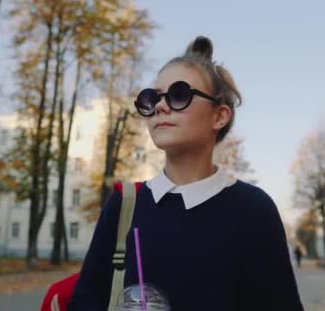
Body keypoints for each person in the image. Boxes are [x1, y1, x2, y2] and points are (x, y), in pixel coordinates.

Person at [68, 36, 303, 310]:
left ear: (219, 116)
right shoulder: (124, 206)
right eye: (151, 97)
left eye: (179, 94)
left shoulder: (254, 209)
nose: (159, 106)